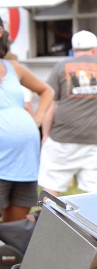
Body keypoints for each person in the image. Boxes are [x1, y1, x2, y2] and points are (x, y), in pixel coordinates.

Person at [37, 30, 97, 197]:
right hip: (96, 140)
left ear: (74, 50)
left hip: (62, 137)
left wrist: (46, 134)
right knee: (92, 192)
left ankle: (49, 220)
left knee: (52, 188)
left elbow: (50, 104)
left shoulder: (61, 67)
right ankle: (89, 222)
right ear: (94, 50)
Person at [1, 18, 54, 222]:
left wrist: (38, 119)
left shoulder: (13, 67)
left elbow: (46, 90)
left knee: (14, 228)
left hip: (24, 161)